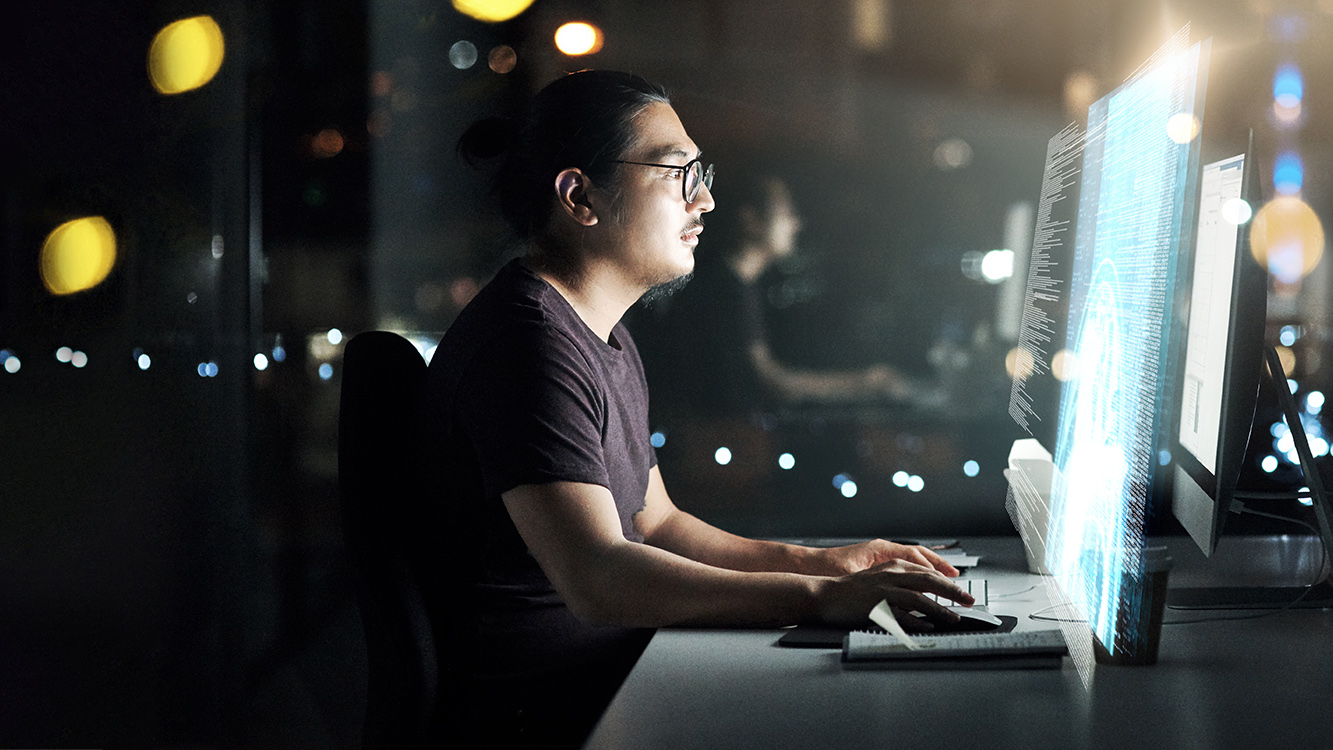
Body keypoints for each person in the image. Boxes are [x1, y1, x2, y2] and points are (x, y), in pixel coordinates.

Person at [419, 70, 972, 749]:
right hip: (550, 717)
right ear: (579, 196)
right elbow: (599, 578)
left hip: (613, 679)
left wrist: (825, 565)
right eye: (677, 171)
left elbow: (659, 524)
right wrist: (820, 601)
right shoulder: (526, 345)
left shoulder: (603, 333)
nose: (705, 198)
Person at [659, 170, 910, 417]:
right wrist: (865, 383)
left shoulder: (734, 283)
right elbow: (771, 382)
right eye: (787, 213)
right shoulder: (725, 290)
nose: (796, 224)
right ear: (751, 220)